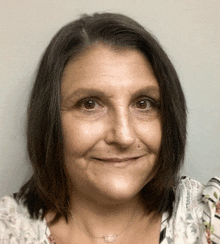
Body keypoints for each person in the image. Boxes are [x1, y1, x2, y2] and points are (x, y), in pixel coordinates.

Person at [0, 12, 219, 244]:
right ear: (49, 119)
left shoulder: (209, 218)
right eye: (90, 104)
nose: (123, 136)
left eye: (143, 103)